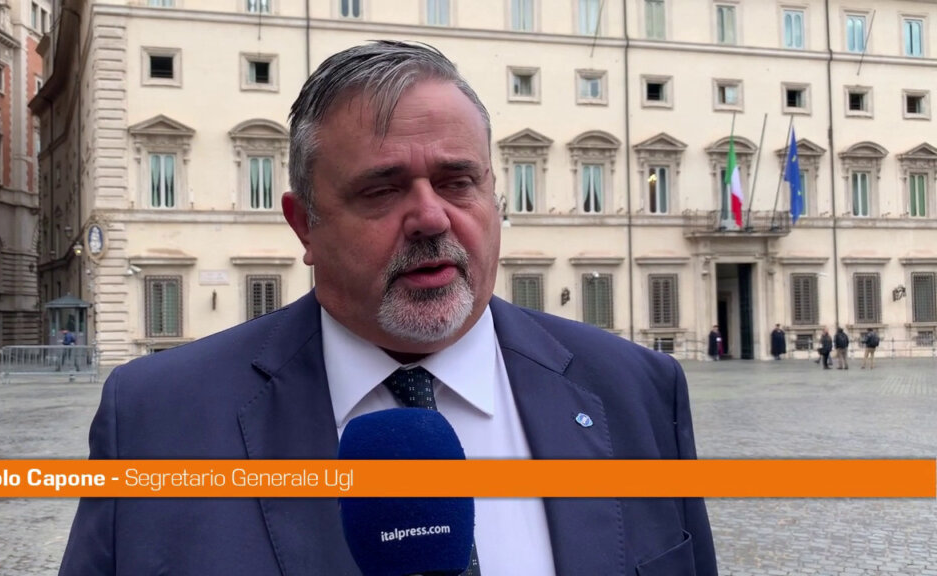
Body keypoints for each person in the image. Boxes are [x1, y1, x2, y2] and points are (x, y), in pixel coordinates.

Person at [58, 41, 716, 575]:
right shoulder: (156, 422)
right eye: (382, 190)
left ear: (495, 195)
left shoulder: (637, 392)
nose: (432, 216)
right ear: (304, 225)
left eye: (459, 181)